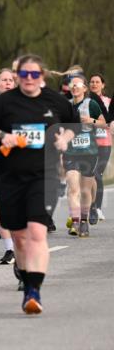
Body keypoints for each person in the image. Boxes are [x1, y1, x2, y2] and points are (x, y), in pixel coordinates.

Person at [0, 54, 77, 314]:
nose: (29, 79)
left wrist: (65, 138)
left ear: (42, 77)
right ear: (17, 77)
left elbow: (74, 124)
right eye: (24, 75)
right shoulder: (4, 103)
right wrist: (3, 136)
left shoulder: (54, 101)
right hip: (10, 177)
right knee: (21, 239)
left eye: (34, 75)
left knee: (37, 233)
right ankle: (27, 283)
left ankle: (34, 291)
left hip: (43, 176)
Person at [63, 75, 104, 237]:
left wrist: (91, 121)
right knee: (73, 187)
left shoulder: (91, 104)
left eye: (78, 84)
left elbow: (103, 123)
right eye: (72, 85)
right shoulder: (65, 105)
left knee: (86, 190)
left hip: (89, 152)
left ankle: (84, 221)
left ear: (85, 88)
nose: (75, 87)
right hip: (70, 152)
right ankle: (74, 222)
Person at [0, 68, 18, 264]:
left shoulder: (25, 106)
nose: (7, 83)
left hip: (22, 162)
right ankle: (10, 248)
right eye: (4, 80)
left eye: (11, 80)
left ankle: (22, 244)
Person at [88, 73, 110, 223]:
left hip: (104, 143)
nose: (94, 84)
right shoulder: (85, 101)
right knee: (88, 174)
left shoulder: (108, 102)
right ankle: (90, 206)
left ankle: (97, 208)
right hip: (88, 144)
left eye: (97, 82)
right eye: (92, 82)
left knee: (97, 173)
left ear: (103, 85)